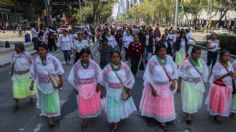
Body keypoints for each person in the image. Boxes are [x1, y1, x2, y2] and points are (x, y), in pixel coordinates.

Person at [139, 44, 178, 131]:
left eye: (164, 50)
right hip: (155, 86)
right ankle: (158, 118)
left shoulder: (169, 58)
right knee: (157, 103)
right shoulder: (153, 60)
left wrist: (174, 81)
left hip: (167, 87)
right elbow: (148, 74)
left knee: (164, 103)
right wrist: (152, 88)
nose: (163, 52)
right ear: (156, 52)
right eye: (160, 50)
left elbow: (175, 70)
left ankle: (163, 118)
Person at [99, 51, 136, 132]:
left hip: (121, 91)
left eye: (117, 57)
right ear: (110, 58)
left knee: (120, 107)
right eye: (113, 57)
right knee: (113, 108)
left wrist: (129, 90)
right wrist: (101, 91)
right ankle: (115, 123)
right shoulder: (107, 68)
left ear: (120, 57)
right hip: (111, 92)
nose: (115, 59)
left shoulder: (125, 66)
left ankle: (117, 119)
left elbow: (130, 79)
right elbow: (102, 80)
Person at [68, 48, 102, 130]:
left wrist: (99, 84)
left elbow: (100, 74)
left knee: (93, 103)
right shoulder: (76, 66)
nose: (85, 58)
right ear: (80, 56)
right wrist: (75, 87)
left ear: (89, 56)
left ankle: (93, 114)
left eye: (87, 56)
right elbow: (72, 78)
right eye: (83, 56)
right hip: (82, 89)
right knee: (83, 105)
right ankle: (84, 119)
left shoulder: (93, 64)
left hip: (93, 88)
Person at [31, 44, 64, 127]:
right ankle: (49, 116)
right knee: (45, 100)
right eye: (39, 50)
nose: (40, 52)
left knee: (52, 100)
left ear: (46, 50)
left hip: (52, 84)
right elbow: (34, 73)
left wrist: (61, 81)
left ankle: (51, 117)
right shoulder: (36, 60)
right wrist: (32, 83)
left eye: (42, 50)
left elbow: (59, 69)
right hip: (41, 84)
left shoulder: (52, 59)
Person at [178, 47, 209, 125]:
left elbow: (205, 71)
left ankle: (191, 111)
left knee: (194, 99)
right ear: (192, 53)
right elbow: (181, 74)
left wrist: (204, 80)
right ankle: (189, 115)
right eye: (195, 53)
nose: (197, 55)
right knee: (189, 99)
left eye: (199, 53)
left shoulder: (201, 61)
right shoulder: (186, 62)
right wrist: (179, 86)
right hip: (188, 84)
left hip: (198, 84)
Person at [205, 50, 236, 124]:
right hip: (218, 87)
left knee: (224, 101)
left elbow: (232, 73)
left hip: (227, 86)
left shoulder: (229, 64)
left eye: (228, 56)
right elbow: (216, 77)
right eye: (225, 56)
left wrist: (233, 75)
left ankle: (219, 113)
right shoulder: (217, 65)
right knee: (218, 101)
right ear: (221, 57)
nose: (227, 57)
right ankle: (216, 114)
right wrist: (227, 74)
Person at [11, 43, 35, 110]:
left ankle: (31, 97)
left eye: (16, 47)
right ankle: (17, 103)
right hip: (16, 76)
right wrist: (12, 72)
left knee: (28, 87)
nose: (15, 49)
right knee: (15, 89)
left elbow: (31, 63)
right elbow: (12, 63)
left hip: (26, 75)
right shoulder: (14, 54)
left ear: (20, 48)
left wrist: (32, 72)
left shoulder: (26, 54)